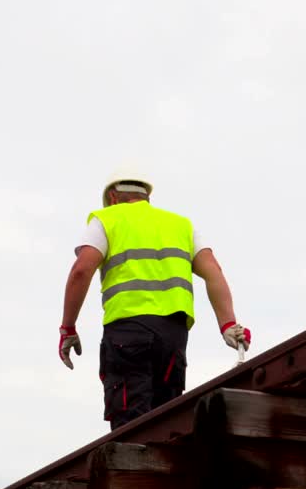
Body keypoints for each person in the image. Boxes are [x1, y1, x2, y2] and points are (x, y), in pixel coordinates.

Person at [58, 173, 250, 430]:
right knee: (165, 419)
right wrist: (228, 324)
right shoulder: (181, 225)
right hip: (173, 337)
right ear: (147, 196)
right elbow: (213, 271)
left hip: (128, 332)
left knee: (130, 422)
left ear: (113, 197)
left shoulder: (106, 219)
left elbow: (81, 271)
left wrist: (68, 327)